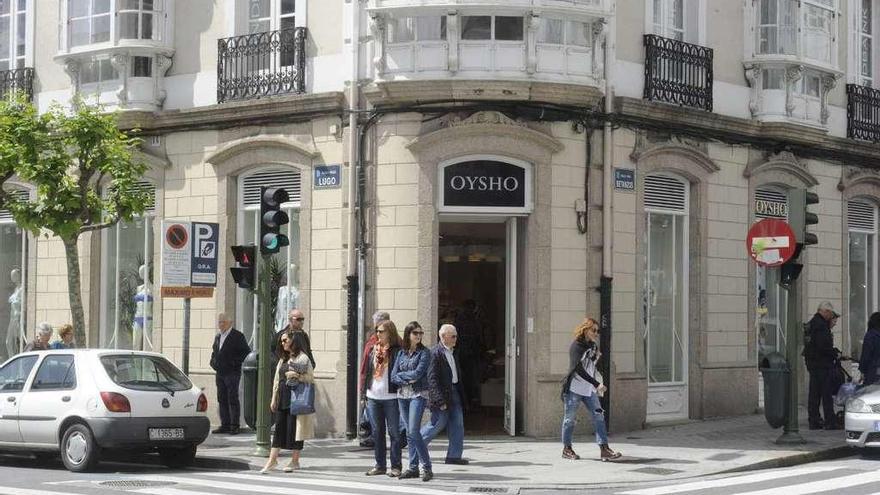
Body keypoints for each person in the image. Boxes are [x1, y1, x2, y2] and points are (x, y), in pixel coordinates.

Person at [560, 317, 621, 461]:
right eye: (593, 330)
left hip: (589, 391)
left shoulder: (593, 346)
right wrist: (596, 383)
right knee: (569, 419)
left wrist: (598, 361)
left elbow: (592, 366)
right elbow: (578, 369)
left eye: (597, 331)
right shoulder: (576, 346)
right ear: (585, 329)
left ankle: (604, 449)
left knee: (599, 416)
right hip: (574, 389)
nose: (596, 333)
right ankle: (567, 449)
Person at [261, 331, 315, 473]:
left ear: (293, 341)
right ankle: (272, 460)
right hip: (282, 398)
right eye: (281, 341)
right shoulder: (282, 359)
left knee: (295, 430)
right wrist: (274, 398)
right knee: (279, 430)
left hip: (296, 398)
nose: (282, 343)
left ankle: (295, 461)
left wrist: (297, 375)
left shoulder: (303, 358)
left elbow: (310, 378)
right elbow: (277, 381)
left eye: (285, 340)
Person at [391, 321, 433, 481]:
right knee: (409, 433)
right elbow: (394, 376)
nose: (419, 336)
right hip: (402, 395)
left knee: (414, 431)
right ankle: (413, 468)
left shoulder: (425, 353)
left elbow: (418, 373)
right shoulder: (401, 353)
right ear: (408, 334)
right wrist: (406, 378)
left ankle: (427, 467)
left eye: (421, 333)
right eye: (416, 333)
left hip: (418, 395)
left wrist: (404, 377)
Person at [421, 324, 469, 465]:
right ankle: (416, 447)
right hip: (442, 394)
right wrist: (439, 400)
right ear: (443, 337)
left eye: (456, 336)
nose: (456, 339)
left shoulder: (453, 352)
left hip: (454, 392)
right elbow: (432, 379)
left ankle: (454, 456)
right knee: (437, 424)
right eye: (453, 336)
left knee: (457, 424)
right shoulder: (435, 353)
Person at [362, 319, 403, 477]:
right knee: (377, 432)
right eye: (376, 331)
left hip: (391, 397)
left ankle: (396, 466)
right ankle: (380, 465)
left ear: (390, 333)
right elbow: (366, 372)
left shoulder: (397, 351)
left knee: (394, 433)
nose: (377, 334)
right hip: (373, 395)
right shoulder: (374, 349)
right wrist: (363, 393)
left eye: (381, 331)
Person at [209, 313, 251, 435]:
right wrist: (213, 362)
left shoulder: (237, 336)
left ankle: (234, 425)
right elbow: (215, 352)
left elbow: (245, 353)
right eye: (219, 322)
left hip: (232, 373)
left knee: (232, 398)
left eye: (223, 322)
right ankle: (225, 424)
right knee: (221, 398)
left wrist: (233, 363)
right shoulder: (218, 337)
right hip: (220, 372)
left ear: (230, 323)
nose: (220, 324)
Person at [804, 301, 841, 430]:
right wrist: (834, 354)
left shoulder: (813, 323)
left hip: (813, 364)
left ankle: (814, 420)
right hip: (822, 364)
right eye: (830, 314)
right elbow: (823, 346)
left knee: (814, 394)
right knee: (826, 394)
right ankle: (829, 421)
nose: (831, 317)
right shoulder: (821, 326)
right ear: (825, 312)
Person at [359, 310, 390, 449]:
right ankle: (373, 437)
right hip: (374, 386)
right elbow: (365, 365)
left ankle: (374, 437)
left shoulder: (393, 343)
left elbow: (365, 367)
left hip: (386, 387)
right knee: (372, 415)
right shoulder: (372, 342)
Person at [859, 312, 880, 387]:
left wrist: (862, 371)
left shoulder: (871, 335)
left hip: (873, 371)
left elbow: (866, 355)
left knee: (869, 394)